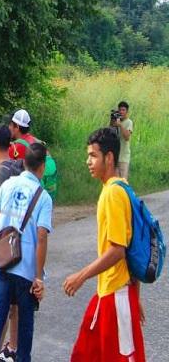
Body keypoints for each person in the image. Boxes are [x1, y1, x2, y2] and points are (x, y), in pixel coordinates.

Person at [63, 128, 146, 362]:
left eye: (93, 155)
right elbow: (133, 247)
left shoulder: (113, 193)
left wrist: (81, 276)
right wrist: (136, 296)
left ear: (108, 158)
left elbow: (119, 250)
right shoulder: (121, 188)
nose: (88, 161)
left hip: (115, 294)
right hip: (109, 292)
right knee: (85, 354)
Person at [0, 143, 53, 362]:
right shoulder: (43, 197)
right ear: (42, 167)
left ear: (24, 162)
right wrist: (38, 276)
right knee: (26, 321)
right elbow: (42, 237)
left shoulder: (8, 185)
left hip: (3, 262)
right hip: (26, 271)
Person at [113, 100, 133, 179]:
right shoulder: (116, 122)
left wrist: (120, 125)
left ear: (127, 111)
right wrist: (113, 122)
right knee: (116, 182)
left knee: (123, 181)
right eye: (120, 110)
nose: (121, 112)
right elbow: (110, 133)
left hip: (124, 157)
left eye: (123, 110)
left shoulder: (129, 122)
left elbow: (127, 137)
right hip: (115, 156)